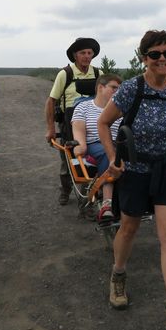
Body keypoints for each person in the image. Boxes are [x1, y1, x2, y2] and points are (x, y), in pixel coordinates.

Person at [98, 30, 166, 330]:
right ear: (143, 57)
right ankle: (118, 275)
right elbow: (103, 122)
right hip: (134, 170)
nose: (162, 59)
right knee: (129, 228)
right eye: (154, 54)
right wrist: (112, 158)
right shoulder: (131, 89)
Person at [44, 37, 102, 206]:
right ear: (75, 55)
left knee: (90, 162)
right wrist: (50, 129)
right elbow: (51, 101)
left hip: (93, 123)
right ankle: (66, 190)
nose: (86, 56)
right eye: (82, 53)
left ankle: (87, 201)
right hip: (69, 123)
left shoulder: (98, 74)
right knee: (68, 161)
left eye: (89, 53)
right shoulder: (66, 74)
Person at [71, 74, 122, 220]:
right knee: (109, 154)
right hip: (95, 143)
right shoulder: (83, 107)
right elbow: (79, 129)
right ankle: (107, 203)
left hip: (118, 143)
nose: (117, 92)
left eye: (120, 89)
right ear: (100, 87)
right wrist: (80, 145)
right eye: (114, 88)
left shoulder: (120, 110)